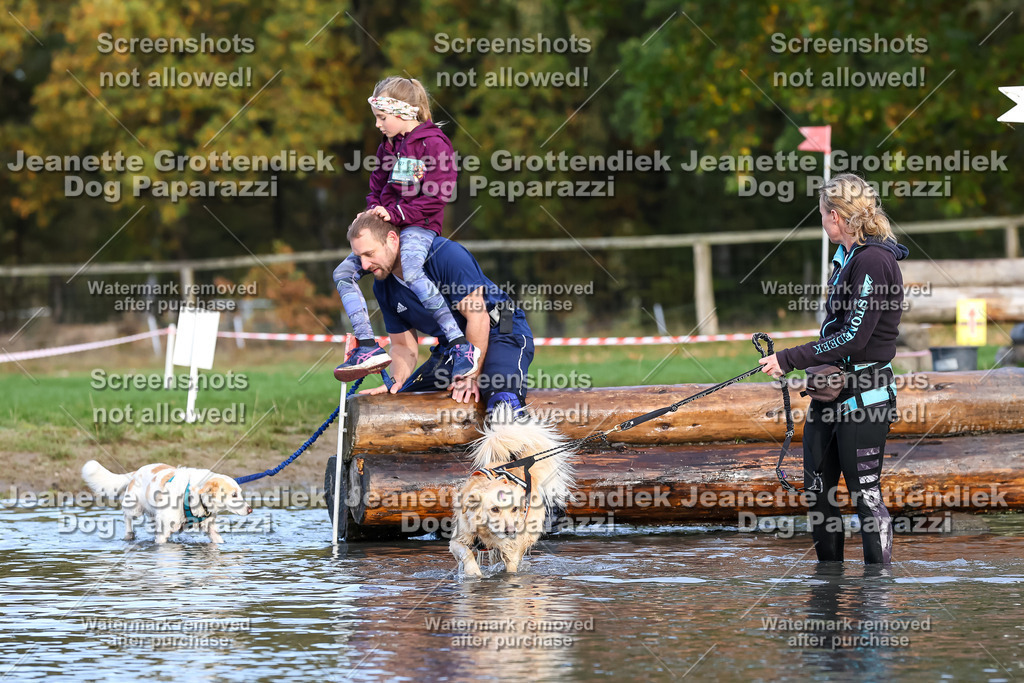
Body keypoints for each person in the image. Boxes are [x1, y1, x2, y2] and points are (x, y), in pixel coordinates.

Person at [759, 174, 909, 565]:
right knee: (818, 492)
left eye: (823, 214)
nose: (822, 221)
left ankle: (877, 593)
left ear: (837, 217)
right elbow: (836, 333)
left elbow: (855, 338)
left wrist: (789, 359)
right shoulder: (847, 258)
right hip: (830, 392)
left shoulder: (874, 261)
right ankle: (829, 586)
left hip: (866, 395)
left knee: (865, 493)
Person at [333, 76, 479, 382]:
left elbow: (437, 198)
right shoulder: (388, 148)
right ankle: (369, 346)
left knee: (411, 268)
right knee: (342, 274)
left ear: (404, 113)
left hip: (418, 225)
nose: (378, 125)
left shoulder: (434, 144)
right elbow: (376, 187)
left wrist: (396, 212)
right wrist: (373, 211)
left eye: (381, 118)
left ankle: (459, 344)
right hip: (388, 223)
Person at [345, 212, 534, 414]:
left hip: (502, 329)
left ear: (392, 239)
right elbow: (402, 345)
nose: (364, 265)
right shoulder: (382, 286)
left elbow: (478, 317)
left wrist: (470, 376)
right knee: (404, 402)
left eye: (369, 254)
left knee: (502, 399)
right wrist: (396, 381)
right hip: (454, 348)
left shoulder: (445, 254)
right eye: (359, 257)